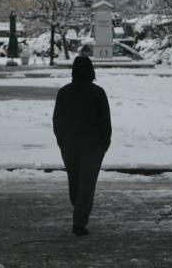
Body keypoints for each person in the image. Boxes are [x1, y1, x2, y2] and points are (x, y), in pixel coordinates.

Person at [53, 56, 111, 236]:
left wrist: (62, 140)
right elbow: (105, 121)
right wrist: (104, 143)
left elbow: (57, 120)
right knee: (87, 184)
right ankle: (80, 217)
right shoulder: (98, 93)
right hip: (93, 146)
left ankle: (79, 217)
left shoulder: (64, 92)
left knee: (75, 182)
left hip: (70, 145)